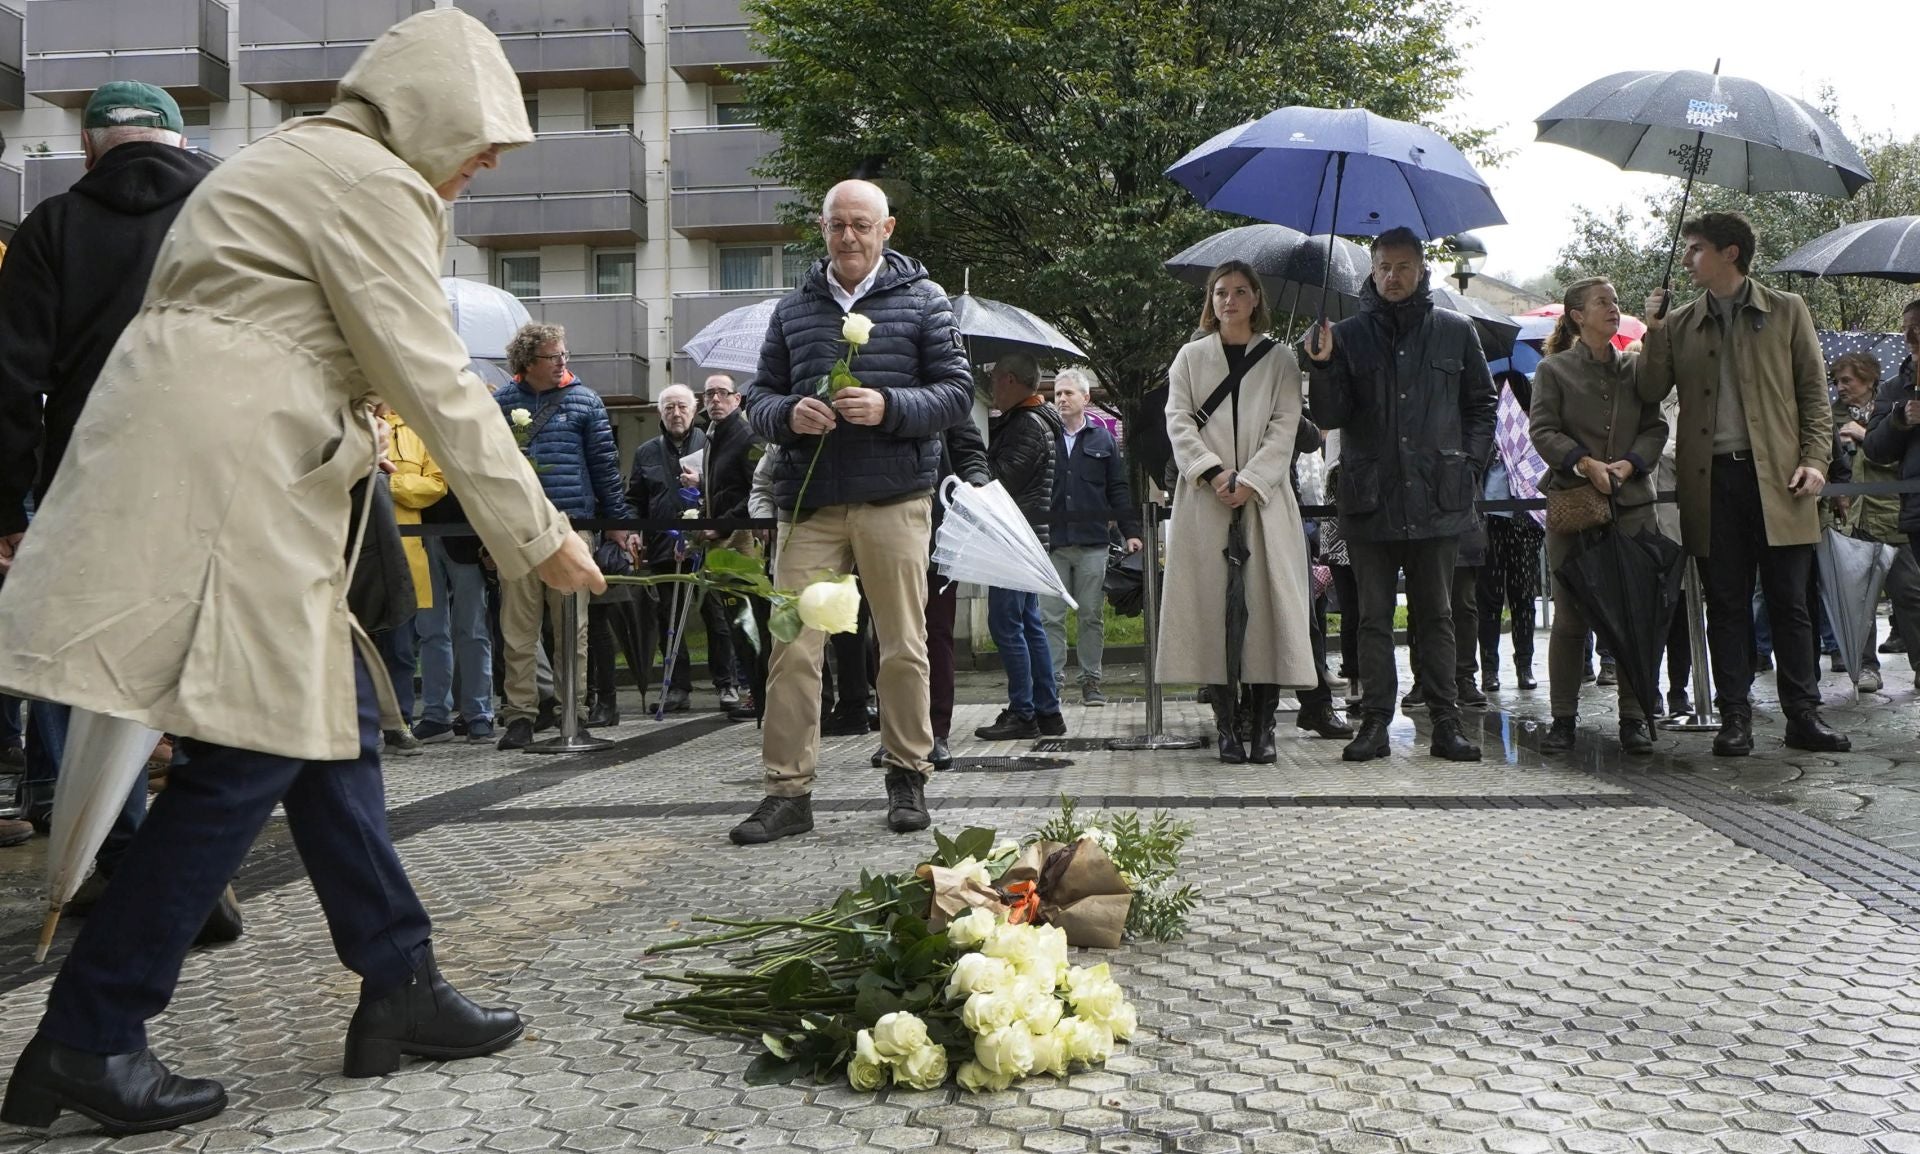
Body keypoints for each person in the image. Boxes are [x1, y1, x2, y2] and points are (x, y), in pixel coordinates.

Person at [0, 10, 605, 1135]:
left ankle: (399, 982)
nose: (483, 165)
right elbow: (430, 370)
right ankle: (91, 1030)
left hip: (230, 460)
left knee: (329, 724)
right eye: (481, 139)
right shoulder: (370, 182)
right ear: (428, 110)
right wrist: (539, 529)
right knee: (258, 741)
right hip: (241, 473)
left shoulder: (298, 159)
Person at [0, 81, 217, 861]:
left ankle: (106, 846)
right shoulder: (229, 214)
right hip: (221, 475)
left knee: (90, 660)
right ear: (181, 141)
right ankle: (194, 852)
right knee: (207, 661)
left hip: (90, 477)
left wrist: (10, 509)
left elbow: (13, 382)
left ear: (89, 147)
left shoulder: (52, 226)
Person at [730, 179, 973, 846]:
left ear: (886, 229)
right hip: (810, 503)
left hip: (895, 498)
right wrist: (788, 414)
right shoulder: (793, 309)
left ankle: (906, 775)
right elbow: (758, 399)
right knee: (792, 649)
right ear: (822, 227)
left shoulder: (925, 302)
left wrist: (890, 407)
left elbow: (956, 394)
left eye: (862, 225)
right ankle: (787, 791)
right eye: (838, 225)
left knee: (901, 646)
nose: (849, 237)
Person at [1639, 211, 1846, 757]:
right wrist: (1654, 332)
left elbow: (1815, 400)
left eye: (1697, 248)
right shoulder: (1681, 322)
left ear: (1730, 253)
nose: (1686, 258)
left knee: (1791, 603)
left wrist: (1817, 461)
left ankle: (1804, 714)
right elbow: (1649, 387)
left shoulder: (1787, 310)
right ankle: (1736, 718)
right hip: (1711, 483)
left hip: (1780, 480)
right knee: (1726, 603)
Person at [1306, 228, 1497, 763]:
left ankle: (1446, 720)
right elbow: (1328, 416)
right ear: (1372, 270)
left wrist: (1468, 466)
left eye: (1404, 266)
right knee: (1371, 617)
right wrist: (1321, 366)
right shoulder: (1344, 334)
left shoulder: (1455, 331)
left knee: (1437, 615)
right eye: (1384, 266)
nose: (1393, 276)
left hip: (1439, 498)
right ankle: (1374, 722)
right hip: (1370, 501)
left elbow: (1481, 406)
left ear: (1421, 271)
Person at [1162, 260, 1317, 764]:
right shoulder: (1189, 357)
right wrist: (1212, 473)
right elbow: (1178, 420)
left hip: (1266, 502)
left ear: (1256, 300)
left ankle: (1265, 725)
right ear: (1211, 300)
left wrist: (1249, 479)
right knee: (1211, 611)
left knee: (1267, 609)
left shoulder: (1280, 361)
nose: (1229, 301)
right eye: (1220, 292)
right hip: (1204, 502)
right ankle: (1226, 726)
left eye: (1240, 292)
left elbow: (1284, 425)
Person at [1528, 278, 1670, 755]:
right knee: (1570, 620)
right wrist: (1584, 463)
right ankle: (1563, 718)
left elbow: (1656, 425)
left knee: (1635, 612)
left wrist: (1630, 464)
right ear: (1576, 315)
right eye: (1602, 302)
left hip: (1632, 509)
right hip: (1575, 510)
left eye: (1615, 300)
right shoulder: (1554, 370)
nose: (1613, 308)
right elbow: (1542, 430)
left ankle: (1634, 717)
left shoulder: (1636, 369)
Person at [492, 322, 635, 749]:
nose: (562, 363)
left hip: (573, 528)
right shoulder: (500, 405)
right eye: (553, 357)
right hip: (518, 530)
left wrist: (617, 524)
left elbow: (605, 469)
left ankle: (574, 710)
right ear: (527, 362)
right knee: (518, 627)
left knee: (573, 627)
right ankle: (520, 714)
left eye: (564, 355)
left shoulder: (586, 401)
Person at [626, 383, 735, 714]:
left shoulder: (712, 443)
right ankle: (677, 686)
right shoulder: (646, 452)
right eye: (669, 407)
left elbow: (730, 489)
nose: (676, 413)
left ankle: (727, 683)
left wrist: (701, 485)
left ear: (695, 409)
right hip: (663, 546)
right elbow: (634, 499)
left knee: (716, 615)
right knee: (668, 617)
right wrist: (633, 531)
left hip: (708, 542)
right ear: (660, 412)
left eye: (682, 407)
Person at [976, 353, 1067, 740]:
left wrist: (976, 451)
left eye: (994, 379)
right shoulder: (1032, 420)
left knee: (1006, 624)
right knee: (1028, 624)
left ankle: (1024, 711)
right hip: (1027, 536)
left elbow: (1001, 481)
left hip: (1016, 538)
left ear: (1011, 380)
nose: (991, 387)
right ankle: (1046, 710)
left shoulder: (1026, 424)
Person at [1041, 367, 1142, 707]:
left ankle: (1091, 681)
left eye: (1069, 393)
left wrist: (1131, 533)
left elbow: (1118, 489)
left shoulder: (1104, 441)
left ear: (1086, 398)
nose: (1062, 399)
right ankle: (1053, 681)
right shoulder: (1044, 437)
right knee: (1050, 616)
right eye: (1057, 393)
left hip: (1093, 543)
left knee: (1090, 615)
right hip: (1052, 542)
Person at [1831, 350, 1909, 692]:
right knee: (1859, 597)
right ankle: (1865, 668)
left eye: (1847, 380)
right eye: (1837, 381)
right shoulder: (1831, 415)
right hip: (1854, 515)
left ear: (1868, 380)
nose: (1841, 387)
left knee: (1909, 593)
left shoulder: (1889, 409)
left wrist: (1865, 436)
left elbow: (1900, 458)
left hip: (1893, 511)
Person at [372, 403, 446, 754]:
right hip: (355, 553)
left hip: (403, 554)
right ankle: (359, 723)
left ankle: (399, 724)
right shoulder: (349, 424)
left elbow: (435, 485)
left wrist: (389, 480)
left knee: (402, 649)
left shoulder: (416, 431)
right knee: (357, 649)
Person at [1861, 300, 1920, 676]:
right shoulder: (1895, 388)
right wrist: (1900, 419)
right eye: (1906, 327)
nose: (1910, 334)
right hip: (1916, 511)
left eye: (1918, 326)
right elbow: (1875, 449)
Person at [700, 371, 764, 719]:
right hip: (721, 541)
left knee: (746, 619)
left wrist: (722, 524)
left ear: (737, 399)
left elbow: (756, 493)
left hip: (741, 542)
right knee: (734, 621)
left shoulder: (745, 434)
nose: (714, 400)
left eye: (722, 394)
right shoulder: (714, 435)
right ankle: (753, 690)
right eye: (708, 395)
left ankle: (759, 692)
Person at [1477, 370, 1545, 694]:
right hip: (1493, 517)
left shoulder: (1536, 428)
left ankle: (1524, 666)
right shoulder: (1486, 427)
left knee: (1523, 597)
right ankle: (1489, 669)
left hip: (1527, 518)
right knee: (1489, 595)